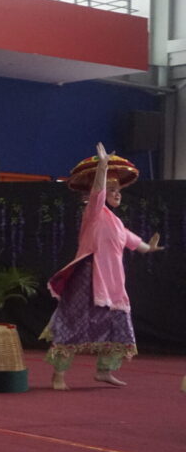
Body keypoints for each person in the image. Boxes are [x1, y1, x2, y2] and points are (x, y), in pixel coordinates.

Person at [44, 142, 163, 391]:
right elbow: (97, 191)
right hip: (89, 275)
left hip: (114, 282)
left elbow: (134, 243)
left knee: (118, 323)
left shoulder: (117, 223)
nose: (117, 194)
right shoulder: (94, 212)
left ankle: (104, 371)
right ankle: (59, 375)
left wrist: (149, 248)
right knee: (74, 321)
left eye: (119, 190)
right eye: (112, 189)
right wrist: (103, 167)